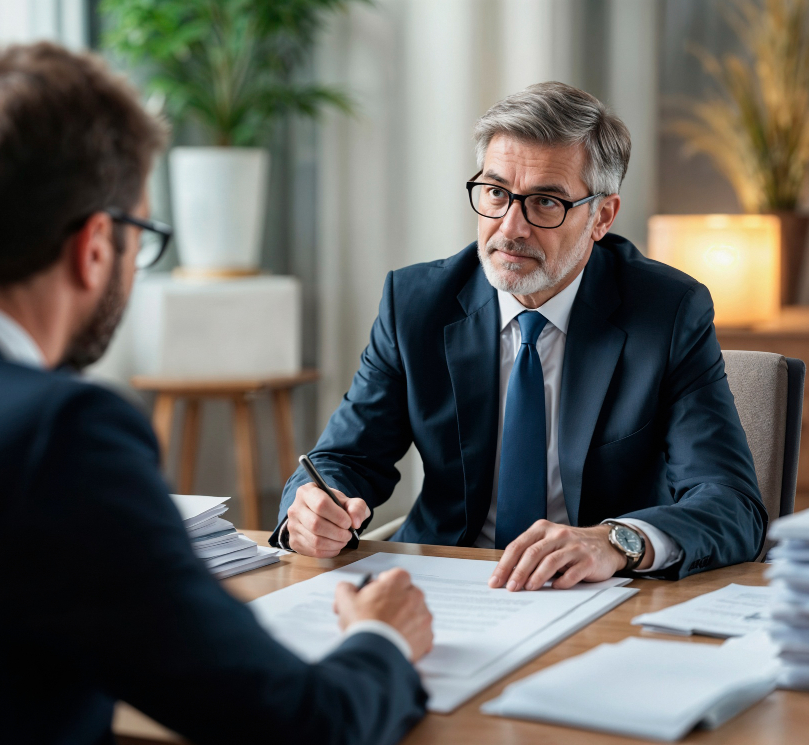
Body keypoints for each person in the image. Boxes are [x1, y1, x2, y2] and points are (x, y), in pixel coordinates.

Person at [0, 43, 432, 745]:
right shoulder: (56, 436)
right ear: (94, 247)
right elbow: (307, 737)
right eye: (142, 236)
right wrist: (381, 639)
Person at [273, 82, 766, 589]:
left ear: (601, 217)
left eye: (546, 202)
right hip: (444, 582)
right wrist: (311, 510)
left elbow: (731, 504)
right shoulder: (417, 303)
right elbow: (344, 458)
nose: (511, 227)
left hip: (596, 593)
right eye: (495, 192)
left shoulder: (665, 312)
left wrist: (617, 541)